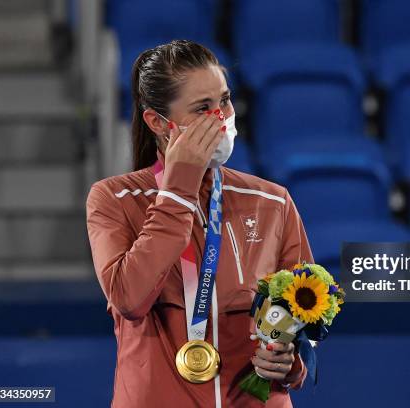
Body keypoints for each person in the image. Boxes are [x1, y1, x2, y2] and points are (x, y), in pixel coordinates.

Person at [85, 40, 314, 408]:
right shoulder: (114, 199)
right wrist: (178, 191)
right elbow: (129, 297)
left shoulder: (273, 201)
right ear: (158, 122)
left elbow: (304, 317)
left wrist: (289, 361)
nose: (221, 118)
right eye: (202, 108)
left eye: (224, 101)